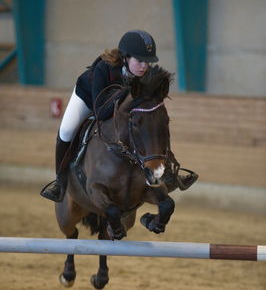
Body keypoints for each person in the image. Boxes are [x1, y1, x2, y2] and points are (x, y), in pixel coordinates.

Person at [40, 30, 197, 203]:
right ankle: (60, 182)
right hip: (89, 99)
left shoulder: (144, 74)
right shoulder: (103, 69)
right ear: (125, 57)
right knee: (66, 131)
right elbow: (101, 112)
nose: (144, 66)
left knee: (155, 124)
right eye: (140, 61)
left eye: (148, 62)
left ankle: (169, 172)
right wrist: (126, 96)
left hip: (117, 106)